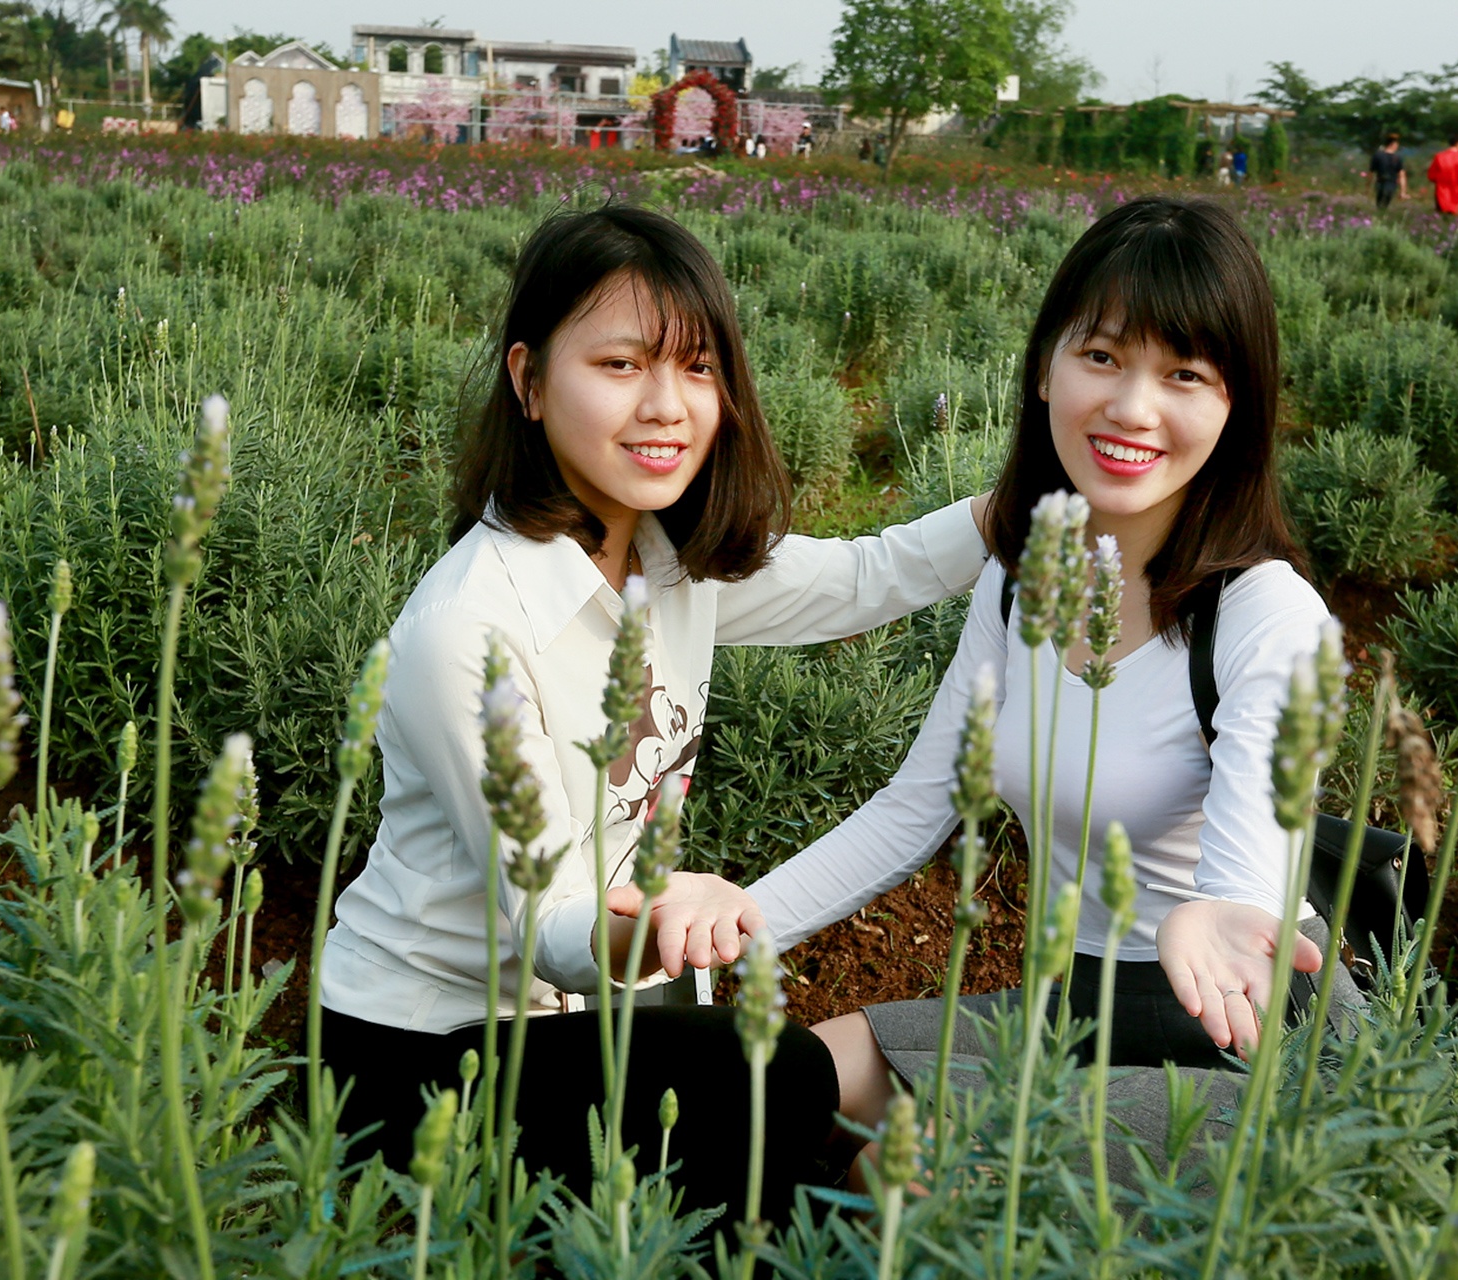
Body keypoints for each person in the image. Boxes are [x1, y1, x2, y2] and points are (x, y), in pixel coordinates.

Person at [317, 204, 992, 1220]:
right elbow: (545, 922)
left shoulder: (671, 563)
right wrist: (667, 919)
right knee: (765, 1073)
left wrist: (1045, 487)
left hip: (577, 1022)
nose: (667, 406)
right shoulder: (472, 626)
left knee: (771, 1086)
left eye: (699, 368)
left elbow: (870, 573)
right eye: (622, 365)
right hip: (425, 1055)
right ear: (529, 380)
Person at [747, 197, 1356, 1170]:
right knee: (793, 1082)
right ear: (1045, 367)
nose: (1133, 407)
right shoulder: (1019, 574)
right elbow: (914, 808)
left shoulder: (1265, 617)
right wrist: (733, 930)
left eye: (1185, 374)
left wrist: (1214, 911)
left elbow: (1250, 876)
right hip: (1073, 1007)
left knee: (925, 1163)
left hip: (1248, 1041)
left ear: (1235, 406)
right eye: (1103, 356)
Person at [1426, 135, 1458, 215]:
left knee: (1441, 214)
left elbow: (1431, 175)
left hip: (1441, 189)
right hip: (1456, 189)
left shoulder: (1439, 156)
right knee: (1453, 214)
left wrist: (1440, 179)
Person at [1370, 132, 1409, 210]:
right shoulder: (1397, 158)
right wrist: (1403, 192)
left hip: (1380, 183)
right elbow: (1402, 175)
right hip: (1391, 184)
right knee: (1385, 203)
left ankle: (1380, 216)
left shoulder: (1377, 155)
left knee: (1379, 204)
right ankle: (1382, 216)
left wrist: (1368, 187)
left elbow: (1371, 173)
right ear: (1393, 144)